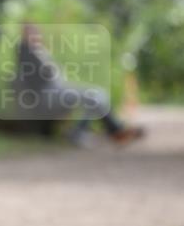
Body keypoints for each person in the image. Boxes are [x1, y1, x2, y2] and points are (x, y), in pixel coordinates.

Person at [15, 24, 145, 147]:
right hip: (49, 94)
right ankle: (112, 131)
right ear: (24, 34)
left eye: (35, 32)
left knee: (97, 96)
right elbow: (46, 73)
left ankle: (109, 130)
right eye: (31, 32)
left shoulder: (39, 51)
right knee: (95, 97)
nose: (35, 35)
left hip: (58, 89)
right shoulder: (26, 51)